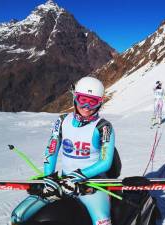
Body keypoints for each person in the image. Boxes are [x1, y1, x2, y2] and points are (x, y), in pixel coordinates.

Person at [11, 77, 115, 225]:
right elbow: (51, 151)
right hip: (64, 182)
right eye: (82, 99)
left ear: (100, 102)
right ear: (75, 97)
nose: (86, 106)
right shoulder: (62, 121)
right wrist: (49, 177)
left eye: (93, 101)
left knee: (102, 221)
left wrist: (77, 176)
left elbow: (105, 162)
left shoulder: (104, 127)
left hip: (93, 185)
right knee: (18, 216)